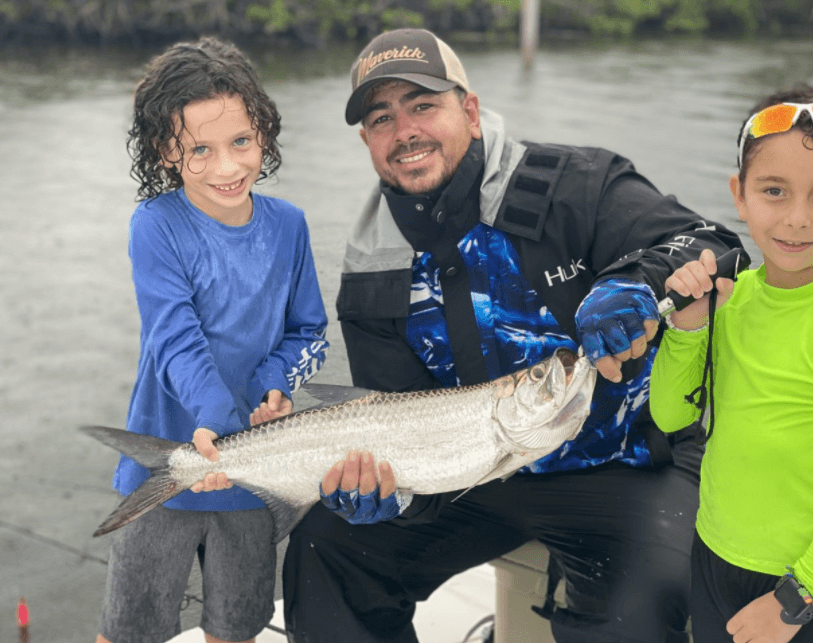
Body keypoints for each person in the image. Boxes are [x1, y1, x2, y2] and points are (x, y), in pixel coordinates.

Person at [282, 28, 744, 643]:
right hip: (472, 478)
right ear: (367, 140)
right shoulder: (372, 267)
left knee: (646, 600)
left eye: (423, 105)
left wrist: (640, 279)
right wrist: (389, 498)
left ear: (469, 112)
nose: (405, 131)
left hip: (626, 463)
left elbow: (715, 244)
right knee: (325, 551)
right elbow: (402, 430)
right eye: (381, 118)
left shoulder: (575, 183)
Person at [650, 86, 813, 643]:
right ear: (740, 196)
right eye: (773, 190)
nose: (796, 219)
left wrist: (795, 600)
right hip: (715, 555)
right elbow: (670, 417)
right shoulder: (730, 299)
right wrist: (688, 326)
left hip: (812, 585)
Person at [95, 37, 329, 643]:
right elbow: (174, 339)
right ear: (165, 152)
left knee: (236, 626)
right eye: (200, 149)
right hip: (167, 475)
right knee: (128, 630)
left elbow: (309, 333)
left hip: (256, 476)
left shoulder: (290, 226)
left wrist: (274, 387)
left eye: (241, 142)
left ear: (264, 135)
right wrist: (219, 426)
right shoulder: (156, 225)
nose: (227, 167)